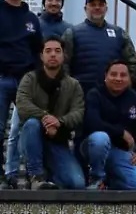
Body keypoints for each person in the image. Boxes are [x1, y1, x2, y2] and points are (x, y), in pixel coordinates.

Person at [15, 37, 85, 190]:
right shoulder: (29, 79)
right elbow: (23, 105)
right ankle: (36, 177)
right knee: (32, 123)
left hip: (58, 141)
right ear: (41, 56)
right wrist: (46, 118)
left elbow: (78, 112)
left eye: (57, 51)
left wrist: (59, 122)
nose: (53, 54)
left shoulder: (73, 85)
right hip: (31, 139)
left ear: (64, 55)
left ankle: (52, 178)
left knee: (77, 183)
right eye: (48, 51)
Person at [0, 0, 43, 189]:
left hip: (25, 82)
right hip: (2, 79)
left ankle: (12, 173)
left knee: (20, 129)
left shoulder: (31, 19)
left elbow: (38, 51)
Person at [82, 60, 136, 191]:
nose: (118, 78)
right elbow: (93, 123)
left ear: (129, 78)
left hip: (120, 151)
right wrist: (120, 132)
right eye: (113, 74)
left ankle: (109, 183)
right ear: (105, 76)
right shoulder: (94, 94)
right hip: (93, 147)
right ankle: (96, 178)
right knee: (100, 138)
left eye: (123, 75)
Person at [62, 0, 136, 97]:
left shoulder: (119, 33)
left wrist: (126, 84)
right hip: (81, 96)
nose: (97, 8)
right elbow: (63, 64)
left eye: (101, 5)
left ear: (106, 9)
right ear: (85, 9)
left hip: (113, 96)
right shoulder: (72, 33)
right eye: (93, 5)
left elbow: (132, 62)